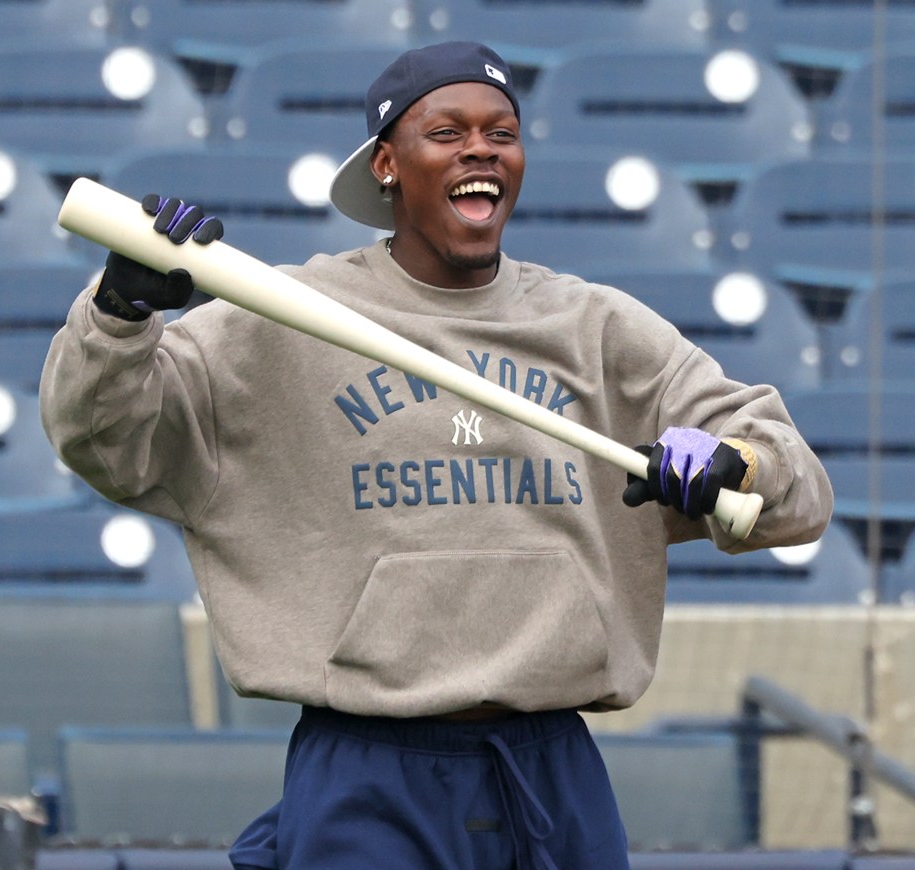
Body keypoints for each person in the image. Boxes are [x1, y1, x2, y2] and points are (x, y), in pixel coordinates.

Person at [41, 41, 833, 870]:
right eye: (447, 132)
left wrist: (732, 463)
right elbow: (105, 442)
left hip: (553, 765)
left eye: (501, 132)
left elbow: (795, 485)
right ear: (388, 164)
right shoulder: (276, 316)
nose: (481, 149)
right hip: (366, 767)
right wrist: (122, 313)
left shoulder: (596, 326)